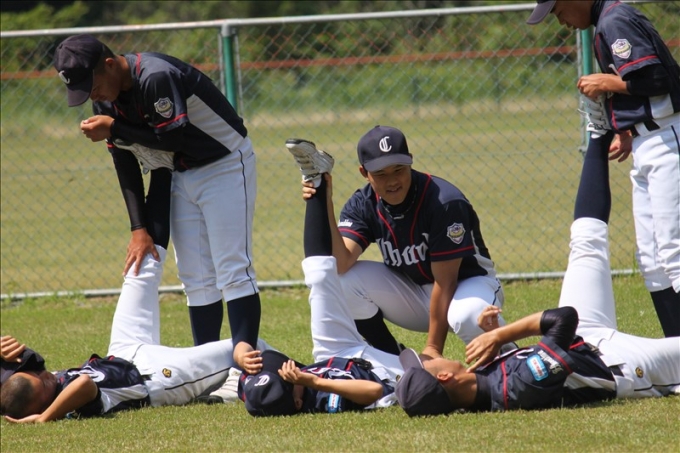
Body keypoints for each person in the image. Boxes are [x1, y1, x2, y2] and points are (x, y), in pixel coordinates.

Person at [394, 128, 680, 416]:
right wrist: (500, 336)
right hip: (623, 364)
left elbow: (530, 354)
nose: (428, 358)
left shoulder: (477, 384)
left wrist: (495, 337)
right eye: (426, 364)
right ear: (444, 376)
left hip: (585, 339)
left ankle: (598, 130)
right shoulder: (519, 386)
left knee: (585, 242)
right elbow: (564, 318)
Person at [53, 34, 262, 347]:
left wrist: (114, 128)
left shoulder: (155, 76)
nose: (91, 95)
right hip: (179, 172)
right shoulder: (106, 100)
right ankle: (208, 365)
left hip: (224, 165)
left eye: (92, 86)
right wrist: (138, 228)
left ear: (109, 65)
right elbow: (124, 160)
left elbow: (171, 140)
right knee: (195, 277)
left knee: (233, 269)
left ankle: (246, 363)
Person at [0, 209, 272, 422]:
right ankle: (234, 384)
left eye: (40, 375)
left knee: (140, 265)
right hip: (155, 376)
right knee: (248, 347)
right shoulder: (72, 406)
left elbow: (22, 382)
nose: (47, 375)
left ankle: (161, 169)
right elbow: (84, 383)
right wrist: (44, 418)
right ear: (43, 405)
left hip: (122, 351)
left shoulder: (32, 391)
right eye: (44, 384)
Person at [527, 0, 680, 336]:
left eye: (558, 12)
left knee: (674, 253)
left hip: (668, 139)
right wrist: (627, 127)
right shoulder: (606, 22)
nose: (562, 22)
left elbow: (660, 78)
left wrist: (610, 84)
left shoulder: (615, 20)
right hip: (648, 141)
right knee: (653, 262)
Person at [287, 126, 505, 360]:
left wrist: (433, 349)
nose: (392, 181)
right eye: (380, 173)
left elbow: (446, 282)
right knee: (343, 281)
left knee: (469, 316)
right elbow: (340, 262)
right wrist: (325, 201)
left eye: (399, 169)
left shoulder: (444, 201)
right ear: (364, 173)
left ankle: (511, 360)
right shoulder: (363, 203)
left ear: (410, 161)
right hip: (415, 292)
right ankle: (395, 361)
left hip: (467, 286)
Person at [232, 148, 403, 416]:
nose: (289, 373)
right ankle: (396, 351)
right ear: (297, 403)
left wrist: (241, 354)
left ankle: (316, 178)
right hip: (387, 370)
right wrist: (314, 382)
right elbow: (374, 391)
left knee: (320, 276)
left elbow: (260, 369)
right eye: (289, 381)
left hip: (335, 350)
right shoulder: (323, 399)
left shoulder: (261, 391)